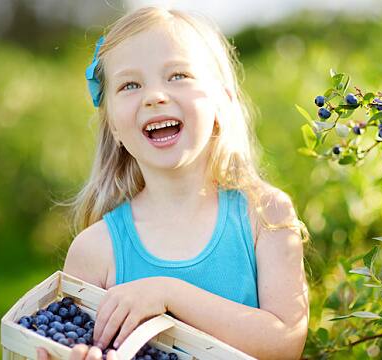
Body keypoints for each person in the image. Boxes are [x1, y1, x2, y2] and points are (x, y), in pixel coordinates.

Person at [37, 5, 310, 360]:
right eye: (130, 84)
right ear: (114, 128)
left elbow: (284, 343)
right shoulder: (96, 251)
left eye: (178, 75)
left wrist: (168, 294)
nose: (155, 96)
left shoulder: (265, 215)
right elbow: (82, 346)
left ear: (221, 103)